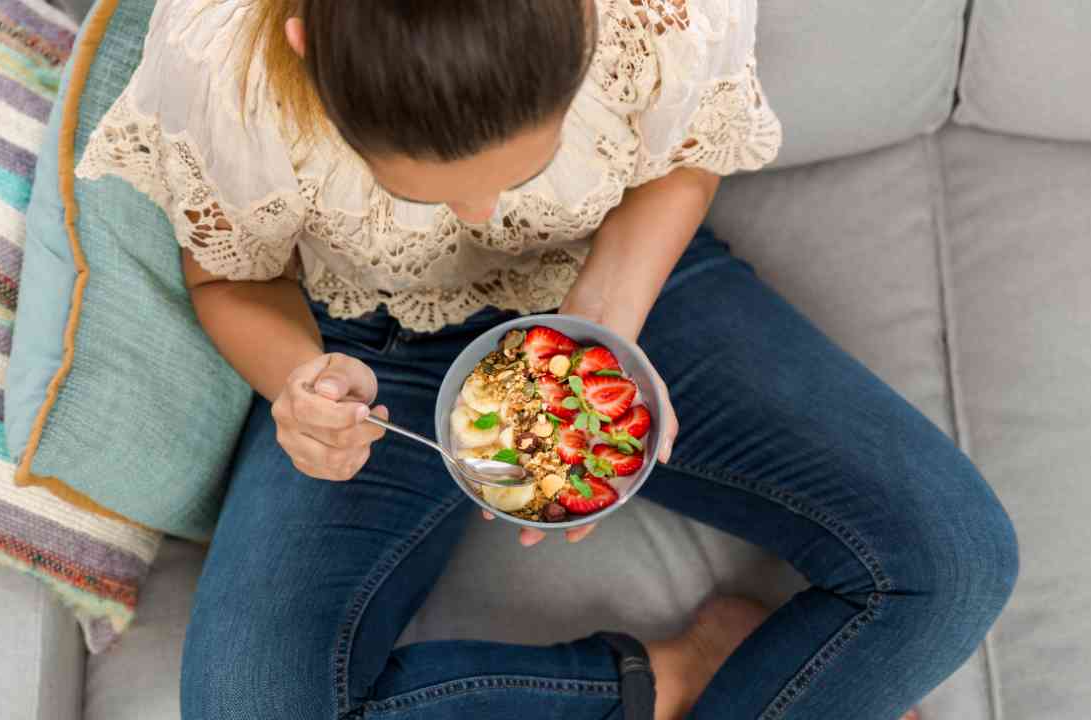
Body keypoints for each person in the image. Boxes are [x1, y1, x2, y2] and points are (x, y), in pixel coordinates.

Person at [77, 1, 1018, 718]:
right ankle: (672, 681)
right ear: (305, 48)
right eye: (420, 184)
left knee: (956, 563)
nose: (480, 218)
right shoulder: (215, 58)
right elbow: (230, 281)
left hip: (624, 279)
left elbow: (687, 153)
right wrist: (297, 382)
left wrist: (603, 324)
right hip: (373, 342)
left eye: (518, 170)